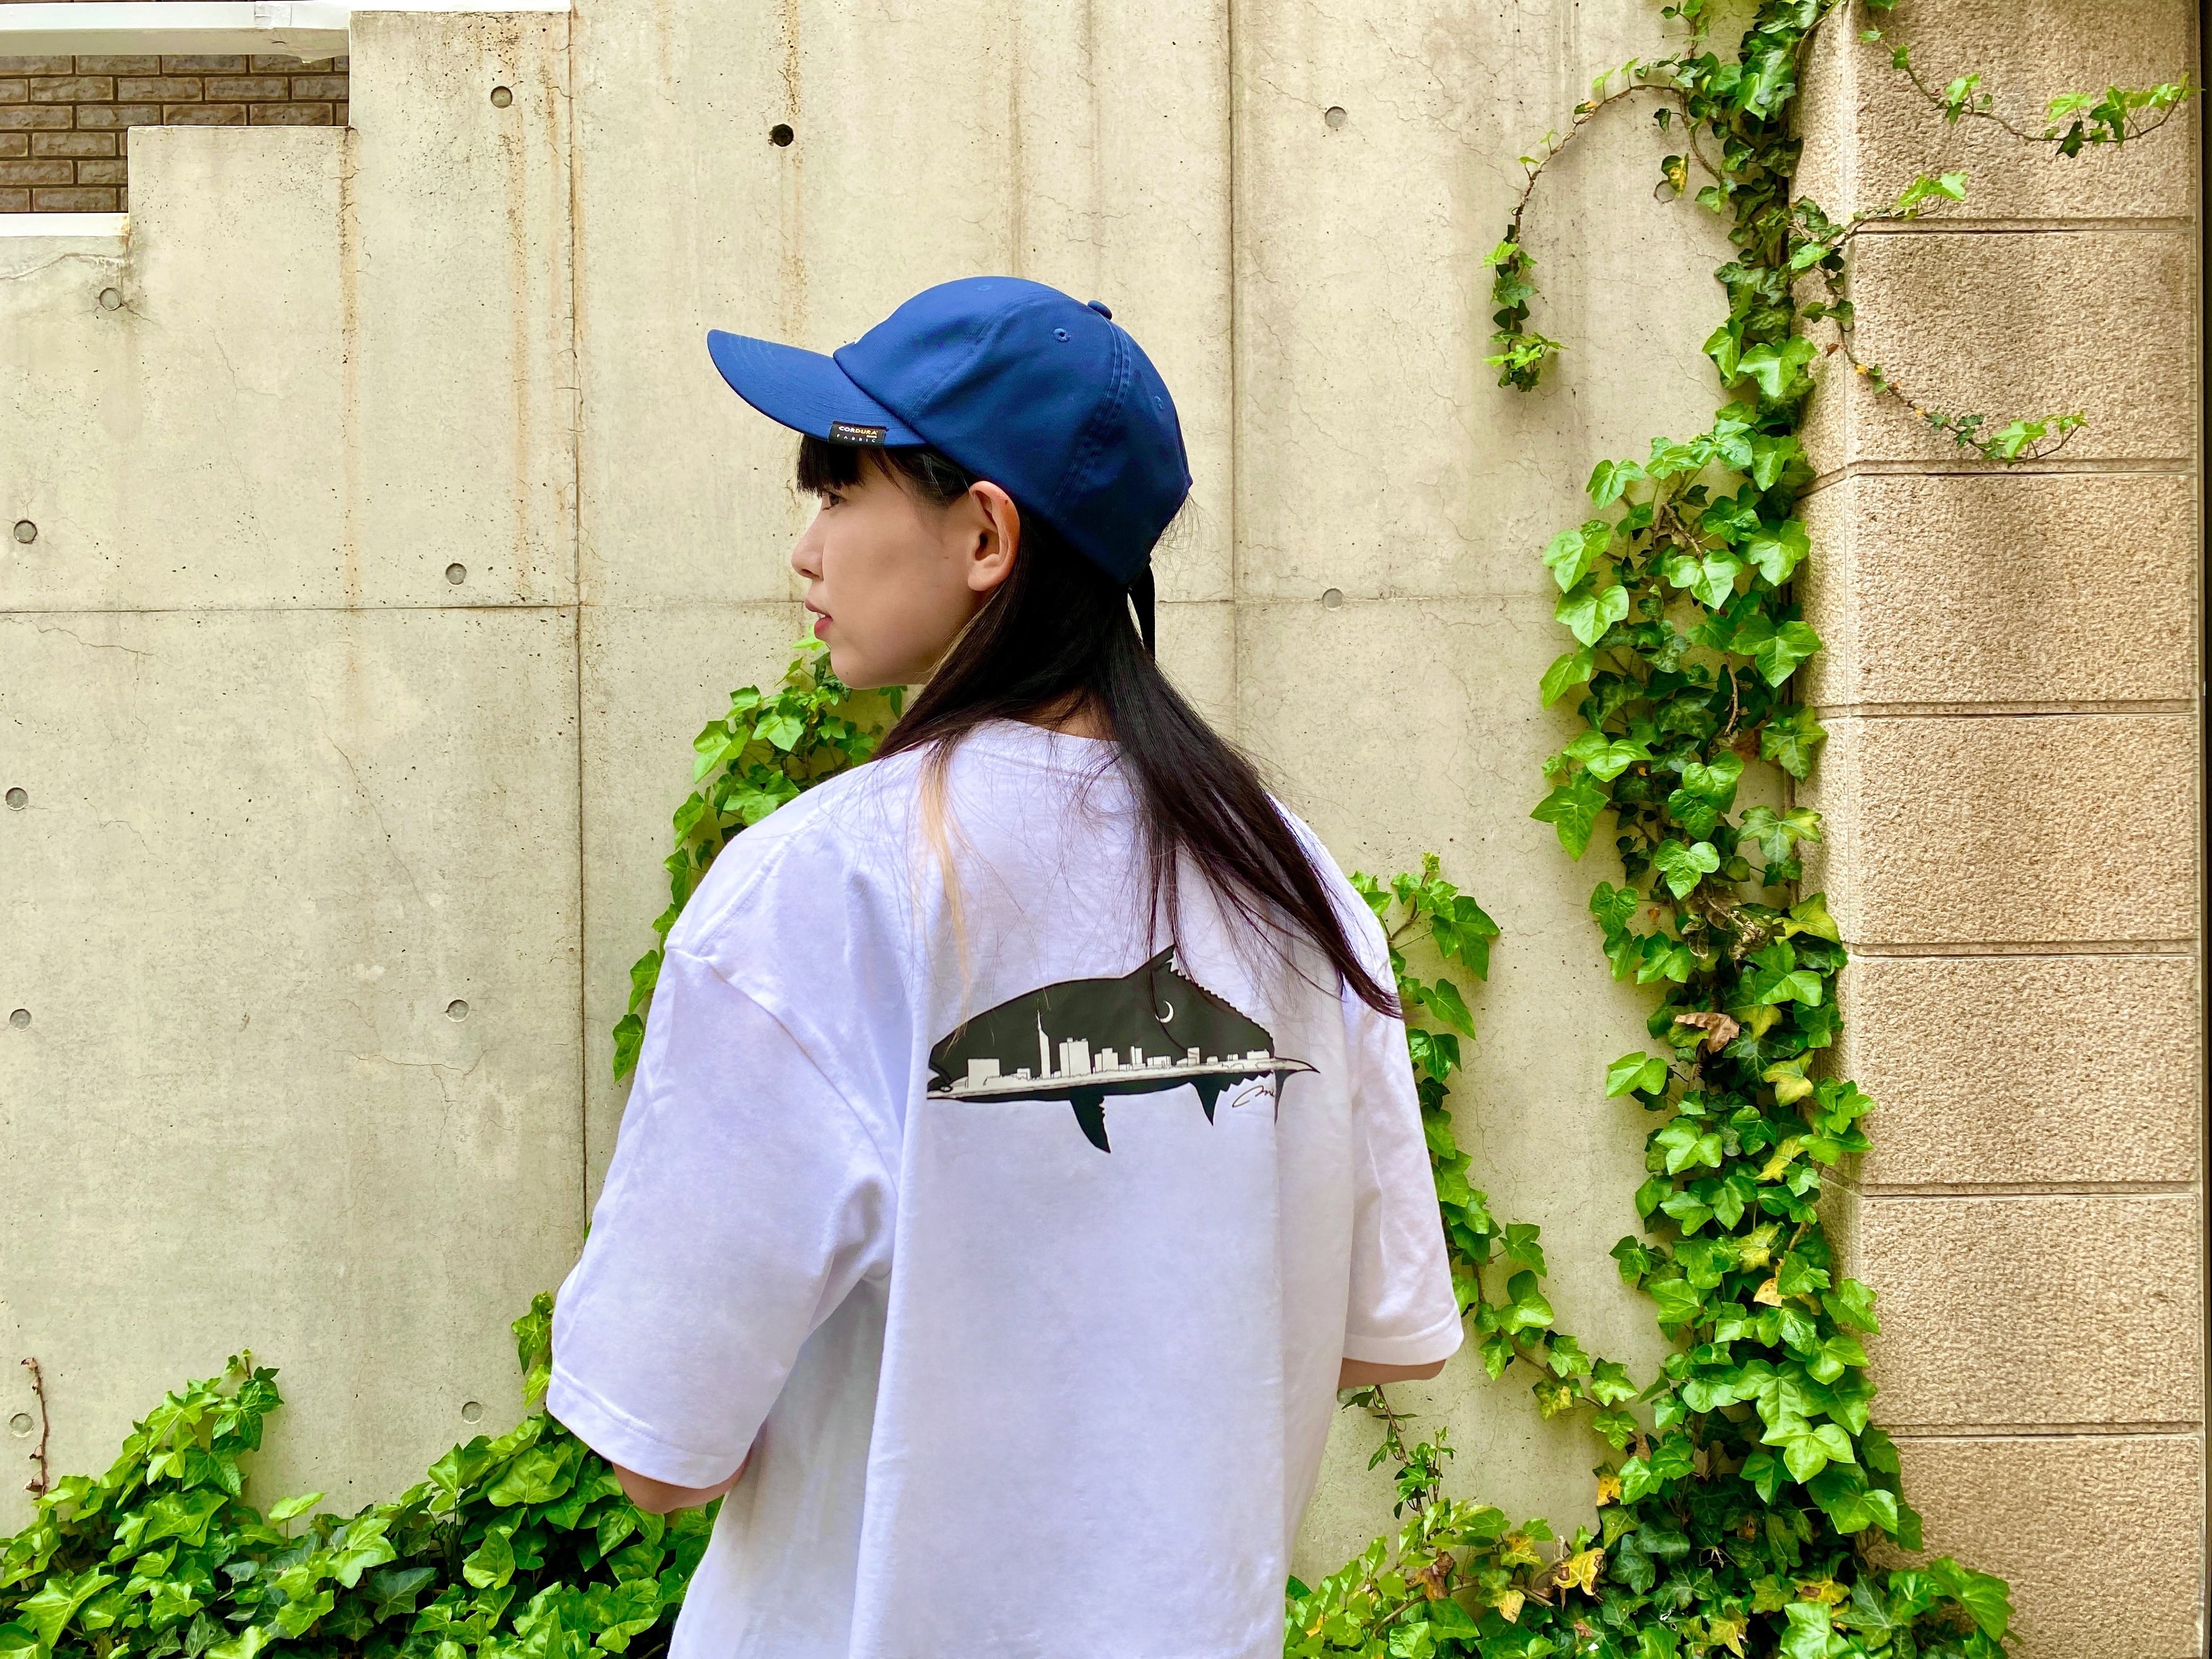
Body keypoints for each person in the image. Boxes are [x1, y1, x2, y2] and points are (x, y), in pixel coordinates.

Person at [548, 276, 1461, 1659]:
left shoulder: (821, 889)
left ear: (985, 534)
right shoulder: (1291, 887)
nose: (806, 550)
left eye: (839, 491)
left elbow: (659, 1454)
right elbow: (1385, 1336)